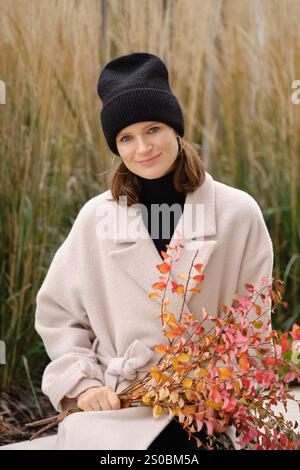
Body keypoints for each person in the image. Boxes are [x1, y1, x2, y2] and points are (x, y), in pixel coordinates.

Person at [0, 52, 273, 450]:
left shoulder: (237, 214)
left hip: (206, 406)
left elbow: (254, 327)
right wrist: (84, 384)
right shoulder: (96, 219)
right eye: (126, 137)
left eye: (154, 129)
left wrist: (223, 393)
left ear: (176, 129)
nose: (143, 147)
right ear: (116, 145)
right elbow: (59, 317)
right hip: (116, 403)